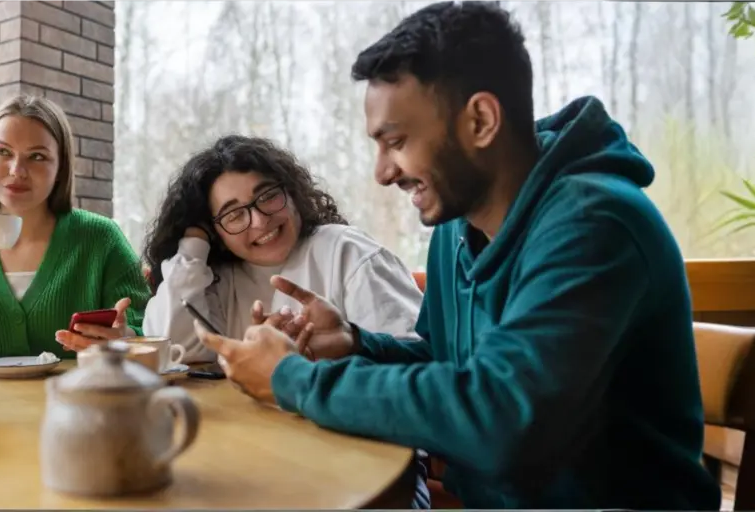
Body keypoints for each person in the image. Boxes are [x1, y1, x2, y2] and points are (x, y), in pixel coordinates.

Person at [193, 1, 720, 510]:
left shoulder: (594, 224)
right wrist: (355, 343)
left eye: (395, 141)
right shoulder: (456, 226)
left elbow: (501, 420)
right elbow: (451, 366)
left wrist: (291, 379)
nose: (383, 171)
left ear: (482, 121)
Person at [140, 135, 423, 364]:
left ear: (292, 192)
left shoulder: (346, 251)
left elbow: (419, 357)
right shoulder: (214, 277)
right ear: (215, 232)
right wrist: (194, 242)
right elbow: (173, 347)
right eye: (234, 214)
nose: (260, 220)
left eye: (267, 196)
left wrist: (344, 347)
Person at [0, 95, 149, 358]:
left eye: (37, 156)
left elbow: (147, 331)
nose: (17, 170)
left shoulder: (102, 238)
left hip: (76, 398)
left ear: (61, 167)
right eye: (3, 152)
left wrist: (125, 338)